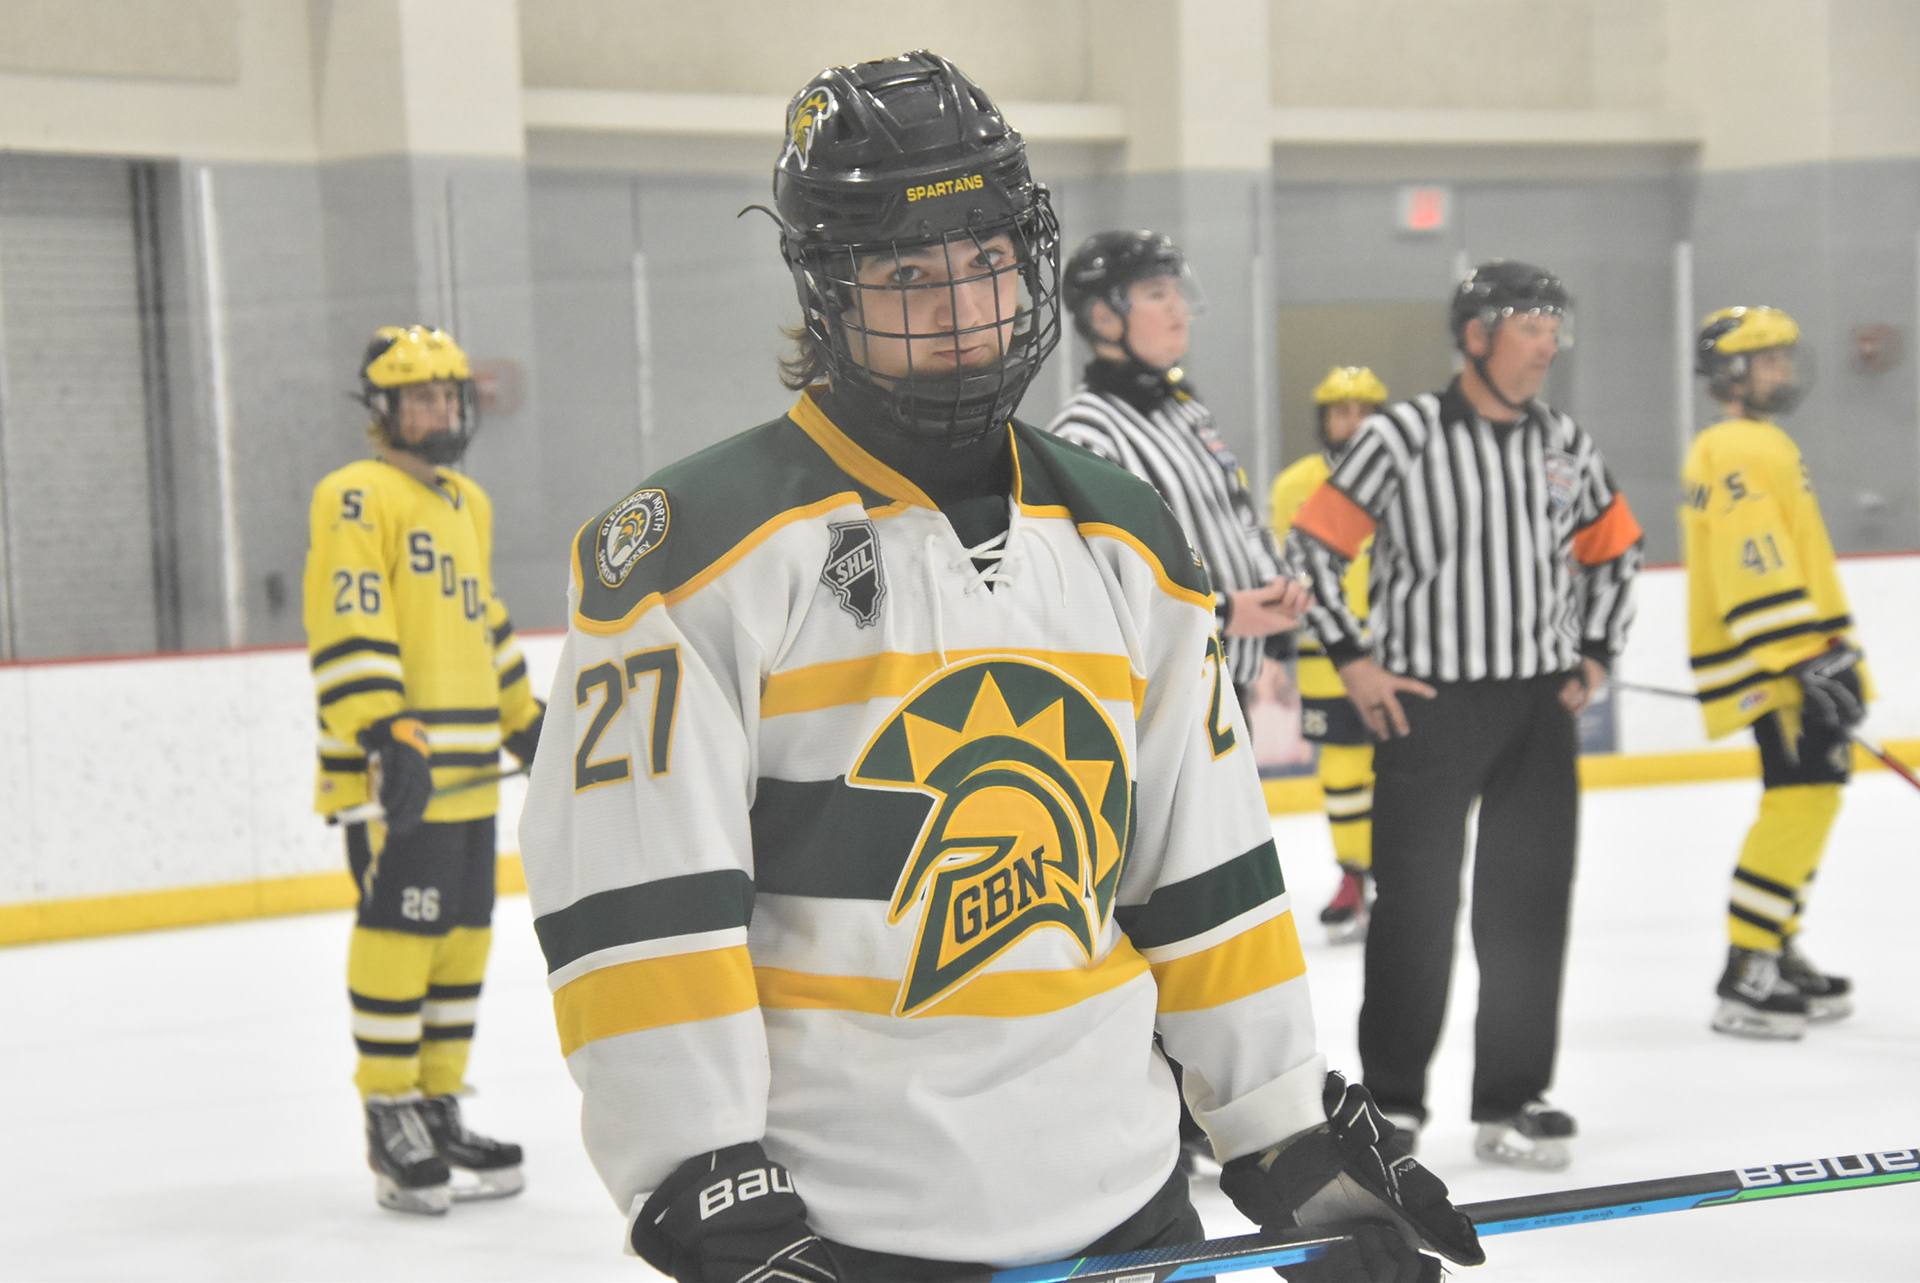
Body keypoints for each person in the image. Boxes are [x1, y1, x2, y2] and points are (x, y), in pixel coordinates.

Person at [518, 51, 1481, 1283]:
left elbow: (1207, 871)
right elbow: (641, 903)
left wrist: (1282, 1128)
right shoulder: (694, 549)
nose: (964, 308)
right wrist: (699, 1173)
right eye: (909, 275)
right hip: (847, 1234)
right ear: (826, 292)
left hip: (1131, 1214)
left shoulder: (1128, 534)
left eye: (986, 261)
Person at [1282, 262, 1643, 1172]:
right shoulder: (1401, 435)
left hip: (1537, 708)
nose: (1548, 345)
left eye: (1555, 328)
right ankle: (1392, 1102)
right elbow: (1314, 548)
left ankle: (1512, 1098)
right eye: (1530, 326)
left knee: (1528, 904)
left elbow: (1616, 549)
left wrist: (1597, 651)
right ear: (1477, 335)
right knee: (1415, 906)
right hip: (1427, 706)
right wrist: (1352, 660)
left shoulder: (1563, 441)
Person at [303, 325, 544, 1214]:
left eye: (449, 395)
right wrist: (384, 726)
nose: (440, 411)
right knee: (399, 935)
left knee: (462, 936)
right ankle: (389, 1111)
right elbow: (349, 615)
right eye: (421, 398)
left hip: (469, 769)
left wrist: (521, 718)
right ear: (384, 410)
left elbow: (482, 619)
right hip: (395, 771)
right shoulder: (356, 496)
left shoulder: (466, 503)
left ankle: (438, 1105)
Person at [1684, 305, 1868, 1040]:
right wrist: (1805, 654)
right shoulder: (1735, 445)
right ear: (1731, 373)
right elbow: (1751, 556)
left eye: (1784, 358)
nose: (1782, 371)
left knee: (1811, 799)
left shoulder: (1754, 442)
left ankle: (1776, 943)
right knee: (1797, 802)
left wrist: (1826, 650)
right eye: (1767, 360)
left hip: (1795, 658)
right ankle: (1748, 966)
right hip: (1781, 664)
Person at [1045, 230, 1310, 707]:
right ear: (1103, 317)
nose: (1178, 308)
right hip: (1156, 701)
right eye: (1156, 294)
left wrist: (1275, 580)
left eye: (1176, 291)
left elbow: (1237, 512)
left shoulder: (1185, 409)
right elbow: (1094, 588)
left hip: (1225, 686)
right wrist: (1227, 613)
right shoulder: (1085, 434)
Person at [1271, 367, 1389, 943]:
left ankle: (1396, 880)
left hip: (1397, 651)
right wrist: (1277, 648)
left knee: (1398, 771)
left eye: (1365, 411)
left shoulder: (1408, 477)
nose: (1355, 422)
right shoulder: (1295, 485)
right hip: (1325, 654)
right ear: (1324, 419)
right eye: (1343, 411)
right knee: (1342, 774)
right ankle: (1351, 877)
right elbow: (1280, 569)